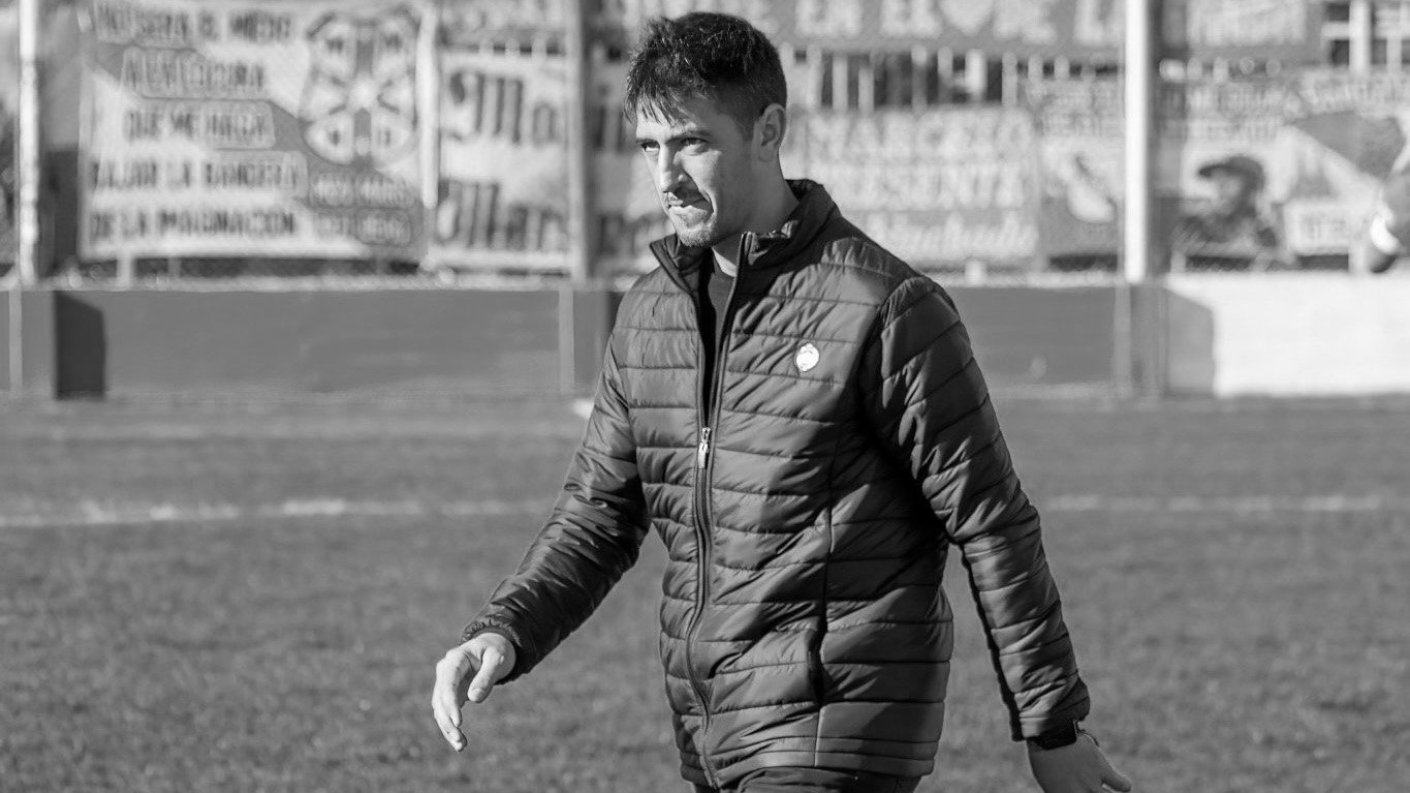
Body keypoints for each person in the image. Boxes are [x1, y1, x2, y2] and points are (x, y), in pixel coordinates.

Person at [431, 13, 1132, 793]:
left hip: (833, 729)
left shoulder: (885, 307)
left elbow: (991, 521)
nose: (666, 175)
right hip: (716, 730)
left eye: (692, 143)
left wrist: (1052, 726)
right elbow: (597, 515)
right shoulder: (650, 316)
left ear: (768, 131)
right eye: (649, 146)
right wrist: (505, 629)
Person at [1170, 154, 1288, 271]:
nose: (1221, 186)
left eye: (1230, 179)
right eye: (1217, 179)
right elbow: (1176, 263)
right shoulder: (1195, 225)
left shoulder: (1265, 233)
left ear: (1251, 187)